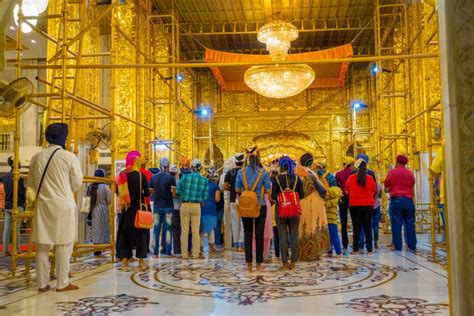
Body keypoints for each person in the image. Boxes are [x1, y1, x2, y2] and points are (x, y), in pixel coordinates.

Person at [28, 123, 83, 292]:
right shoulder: (68, 157)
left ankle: (42, 284)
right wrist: (64, 191)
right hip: (63, 206)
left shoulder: (36, 157)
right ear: (62, 138)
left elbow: (31, 183)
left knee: (42, 245)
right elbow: (77, 182)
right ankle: (62, 282)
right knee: (64, 244)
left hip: (43, 205)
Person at [235, 149, 271, 272]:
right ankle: (259, 263)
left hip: (245, 206)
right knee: (259, 234)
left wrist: (247, 190)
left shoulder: (241, 172)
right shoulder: (263, 172)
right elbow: (267, 189)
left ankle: (249, 263)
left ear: (248, 160)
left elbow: (237, 189)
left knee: (247, 233)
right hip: (260, 206)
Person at [116, 151, 150, 271]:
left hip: (126, 210)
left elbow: (117, 191)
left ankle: (125, 263)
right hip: (138, 210)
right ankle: (141, 262)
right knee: (140, 236)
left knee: (124, 235)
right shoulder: (141, 176)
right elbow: (147, 192)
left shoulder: (122, 175)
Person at [272, 156, 304, 270]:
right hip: (294, 209)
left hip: (281, 208)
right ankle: (294, 262)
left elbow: (273, 196)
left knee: (283, 236)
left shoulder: (276, 179)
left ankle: (285, 263)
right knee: (294, 235)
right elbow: (302, 195)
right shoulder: (297, 179)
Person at [295, 153, 328, 261]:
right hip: (314, 203)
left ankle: (302, 253)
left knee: (303, 227)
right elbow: (323, 190)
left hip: (302, 202)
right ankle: (314, 253)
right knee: (314, 225)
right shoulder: (311, 173)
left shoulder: (297, 172)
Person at [384, 155, 417, 251]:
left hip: (397, 200)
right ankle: (412, 245)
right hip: (408, 200)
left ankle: (398, 246)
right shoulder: (410, 173)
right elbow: (412, 184)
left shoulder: (393, 172)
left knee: (396, 224)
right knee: (410, 223)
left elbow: (386, 184)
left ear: (396, 161)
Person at [177, 158, 208, 259]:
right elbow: (205, 196)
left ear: (191, 167)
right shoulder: (204, 180)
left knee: (185, 230)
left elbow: (178, 191)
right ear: (201, 168)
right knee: (195, 231)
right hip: (196, 206)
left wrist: (185, 195)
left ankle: (184, 254)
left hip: (185, 205)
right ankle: (195, 254)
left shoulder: (184, 178)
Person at [345, 158, 376, 254]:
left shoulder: (351, 178)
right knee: (368, 227)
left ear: (356, 168)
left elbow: (346, 191)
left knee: (356, 227)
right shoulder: (370, 178)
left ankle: (355, 249)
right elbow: (374, 191)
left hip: (355, 205)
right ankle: (370, 249)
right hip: (368, 205)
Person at [315, 159, 343, 256]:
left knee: (327, 232)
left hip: (323, 209)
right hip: (332, 210)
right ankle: (336, 250)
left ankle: (333, 250)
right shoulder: (331, 177)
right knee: (333, 231)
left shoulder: (317, 176)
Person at [149, 157, 176, 257]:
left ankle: (155, 252)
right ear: (168, 166)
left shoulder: (153, 177)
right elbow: (173, 194)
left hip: (156, 205)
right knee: (168, 229)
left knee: (156, 229)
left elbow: (150, 190)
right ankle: (168, 251)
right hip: (168, 205)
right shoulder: (171, 178)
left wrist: (157, 192)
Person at [3, 156, 26, 256]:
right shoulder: (18, 177)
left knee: (7, 228)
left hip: (7, 205)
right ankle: (16, 249)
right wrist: (24, 201)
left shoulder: (5, 176)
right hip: (17, 205)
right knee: (16, 228)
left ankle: (5, 249)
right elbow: (21, 192)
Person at [224, 153, 245, 251]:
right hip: (245, 200)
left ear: (235, 162)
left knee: (235, 222)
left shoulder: (229, 172)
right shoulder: (245, 172)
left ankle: (236, 244)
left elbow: (224, 187)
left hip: (233, 200)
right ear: (243, 162)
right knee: (244, 222)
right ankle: (242, 244)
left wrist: (232, 188)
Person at [87, 169, 111, 256]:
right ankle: (101, 248)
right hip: (103, 209)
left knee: (95, 229)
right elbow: (109, 200)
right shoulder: (105, 187)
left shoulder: (90, 187)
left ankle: (96, 249)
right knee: (103, 229)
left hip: (93, 209)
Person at [336, 156, 355, 255]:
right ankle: (355, 244)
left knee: (343, 222)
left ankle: (345, 243)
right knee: (355, 221)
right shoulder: (353, 174)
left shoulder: (339, 174)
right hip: (352, 198)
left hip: (342, 198)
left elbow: (337, 187)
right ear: (351, 164)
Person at [200, 169, 220, 255]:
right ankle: (212, 248)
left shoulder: (201, 185)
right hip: (211, 208)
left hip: (202, 207)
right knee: (211, 229)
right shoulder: (216, 186)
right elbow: (217, 199)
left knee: (202, 229)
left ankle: (200, 248)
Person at [219, 158, 234, 249]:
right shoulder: (237, 173)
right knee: (236, 221)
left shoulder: (223, 175)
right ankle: (236, 242)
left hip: (226, 198)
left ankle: (228, 244)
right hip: (233, 197)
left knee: (227, 221)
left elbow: (222, 187)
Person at [169, 165, 181, 255]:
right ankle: (177, 249)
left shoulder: (167, 181)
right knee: (177, 229)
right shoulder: (178, 182)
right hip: (177, 207)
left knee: (169, 229)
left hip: (169, 207)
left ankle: (168, 250)